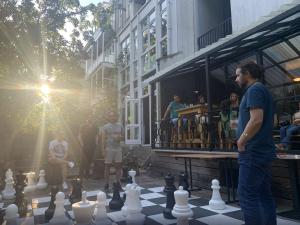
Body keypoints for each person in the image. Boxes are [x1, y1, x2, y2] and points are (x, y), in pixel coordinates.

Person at [235, 61, 276, 225]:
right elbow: (270, 120)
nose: (236, 79)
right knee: (263, 195)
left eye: (238, 75)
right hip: (262, 152)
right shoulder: (263, 90)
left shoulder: (254, 90)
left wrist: (241, 140)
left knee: (247, 196)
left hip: (252, 152)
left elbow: (257, 120)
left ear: (247, 74)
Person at [100, 111, 124, 192]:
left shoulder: (120, 125)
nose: (113, 117)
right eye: (111, 116)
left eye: (115, 116)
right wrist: (102, 150)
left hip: (118, 149)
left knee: (118, 167)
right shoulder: (105, 127)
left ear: (117, 117)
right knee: (107, 167)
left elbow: (123, 137)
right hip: (109, 149)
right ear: (109, 117)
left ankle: (118, 183)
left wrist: (120, 138)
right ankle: (106, 184)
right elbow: (102, 139)